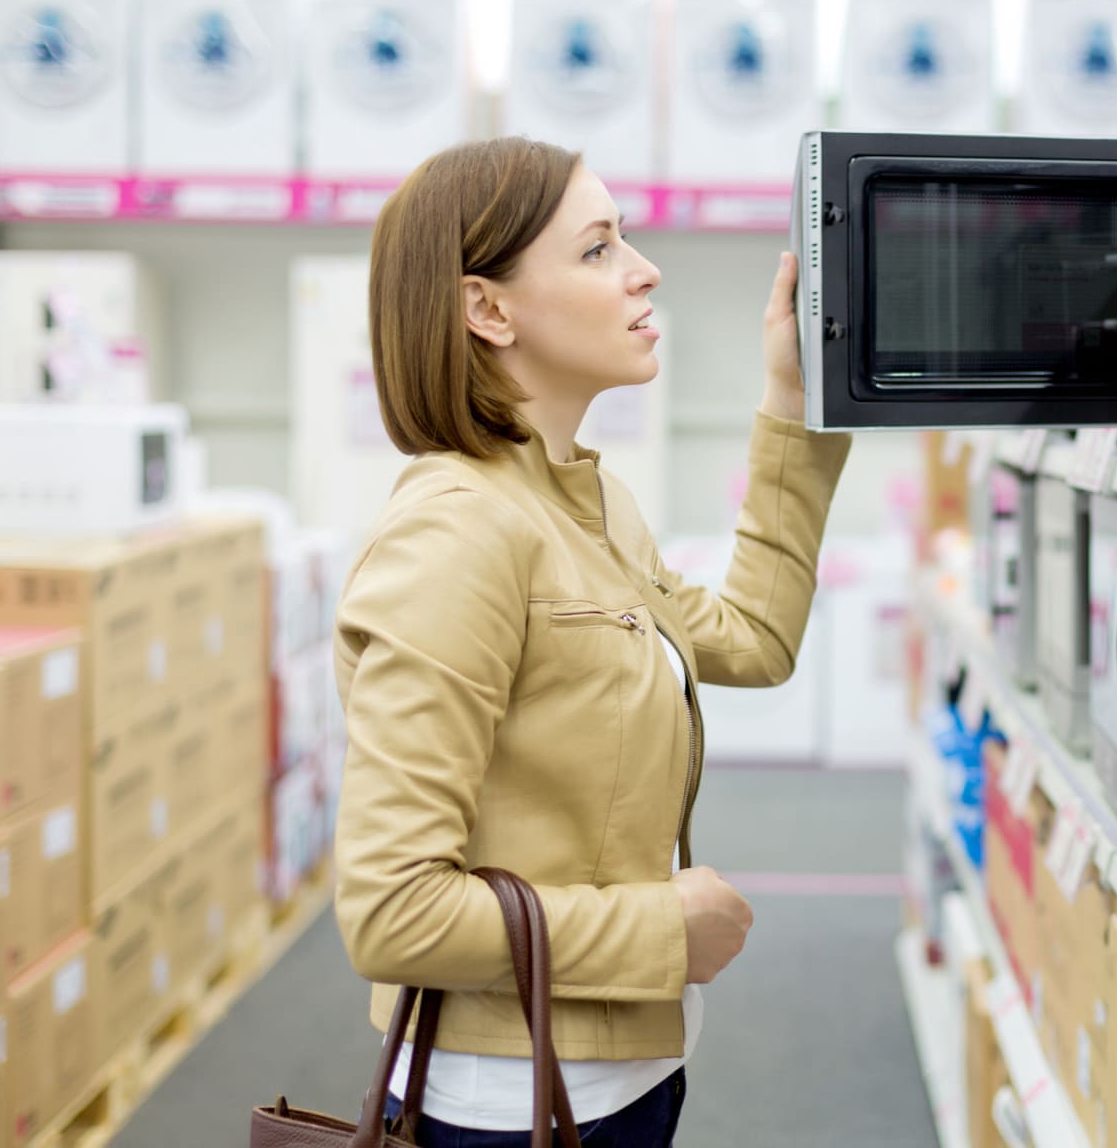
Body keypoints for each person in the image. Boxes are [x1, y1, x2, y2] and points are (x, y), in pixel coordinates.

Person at [330, 135, 852, 1147]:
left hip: (621, 1077)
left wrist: (792, 400)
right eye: (599, 248)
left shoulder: (588, 500)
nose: (645, 268)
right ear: (488, 309)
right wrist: (667, 928)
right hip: (507, 1103)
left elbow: (751, 639)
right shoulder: (458, 531)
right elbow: (393, 911)